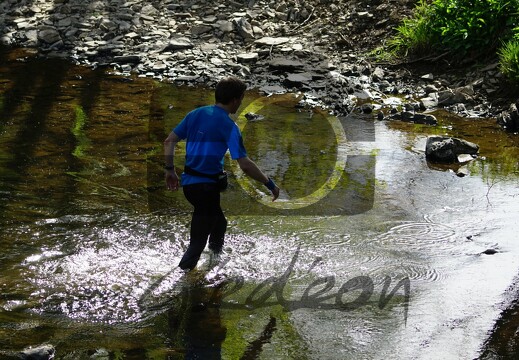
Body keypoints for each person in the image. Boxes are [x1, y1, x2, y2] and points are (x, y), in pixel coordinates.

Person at [164, 76, 280, 271]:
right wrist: (269, 184)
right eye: (241, 99)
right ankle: (181, 285)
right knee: (197, 244)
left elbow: (169, 141)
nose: (240, 103)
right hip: (206, 189)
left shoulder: (195, 114)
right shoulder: (229, 127)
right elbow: (245, 165)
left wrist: (170, 170)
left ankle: (214, 265)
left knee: (219, 223)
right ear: (235, 99)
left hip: (190, 186)